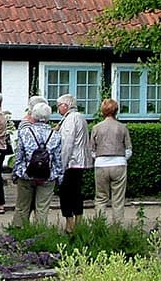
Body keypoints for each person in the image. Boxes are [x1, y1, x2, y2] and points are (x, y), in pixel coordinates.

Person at [12, 101, 63, 227]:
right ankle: (39, 235)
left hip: (26, 174)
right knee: (42, 209)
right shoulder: (55, 135)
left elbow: (19, 156)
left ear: (33, 115)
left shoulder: (25, 132)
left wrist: (15, 173)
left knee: (22, 207)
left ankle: (18, 234)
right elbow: (57, 159)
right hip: (47, 176)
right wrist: (59, 176)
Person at [90, 98, 132, 224]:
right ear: (116, 111)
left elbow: (92, 150)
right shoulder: (122, 127)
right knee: (118, 199)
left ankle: (100, 225)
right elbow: (129, 148)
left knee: (101, 198)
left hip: (101, 164)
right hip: (119, 164)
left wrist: (99, 158)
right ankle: (117, 227)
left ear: (102, 111)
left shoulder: (96, 128)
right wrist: (122, 158)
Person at [56, 93, 90, 233]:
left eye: (59, 105)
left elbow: (67, 144)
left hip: (72, 162)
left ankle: (69, 224)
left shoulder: (70, 119)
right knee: (76, 193)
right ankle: (78, 221)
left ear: (66, 105)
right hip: (80, 161)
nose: (57, 109)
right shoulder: (81, 117)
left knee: (66, 194)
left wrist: (62, 164)